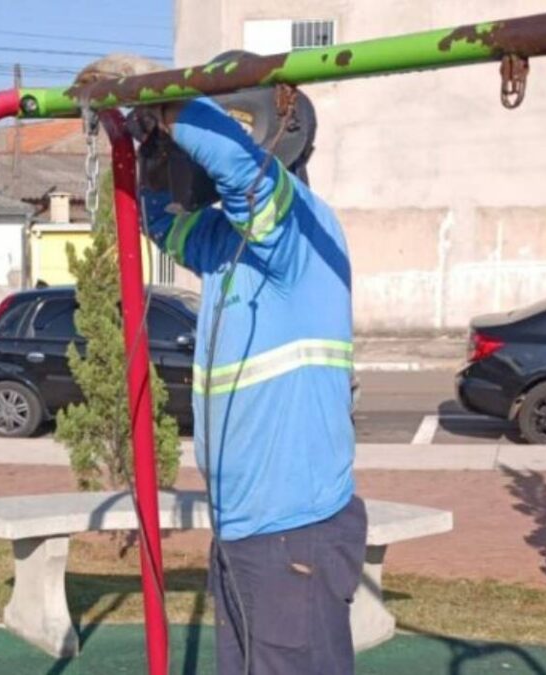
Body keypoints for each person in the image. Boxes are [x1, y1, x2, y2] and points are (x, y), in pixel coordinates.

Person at [133, 95, 368, 674]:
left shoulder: (301, 231)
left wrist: (170, 107)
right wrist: (153, 150)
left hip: (294, 532)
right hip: (242, 529)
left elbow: (244, 173)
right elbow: (162, 223)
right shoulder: (223, 244)